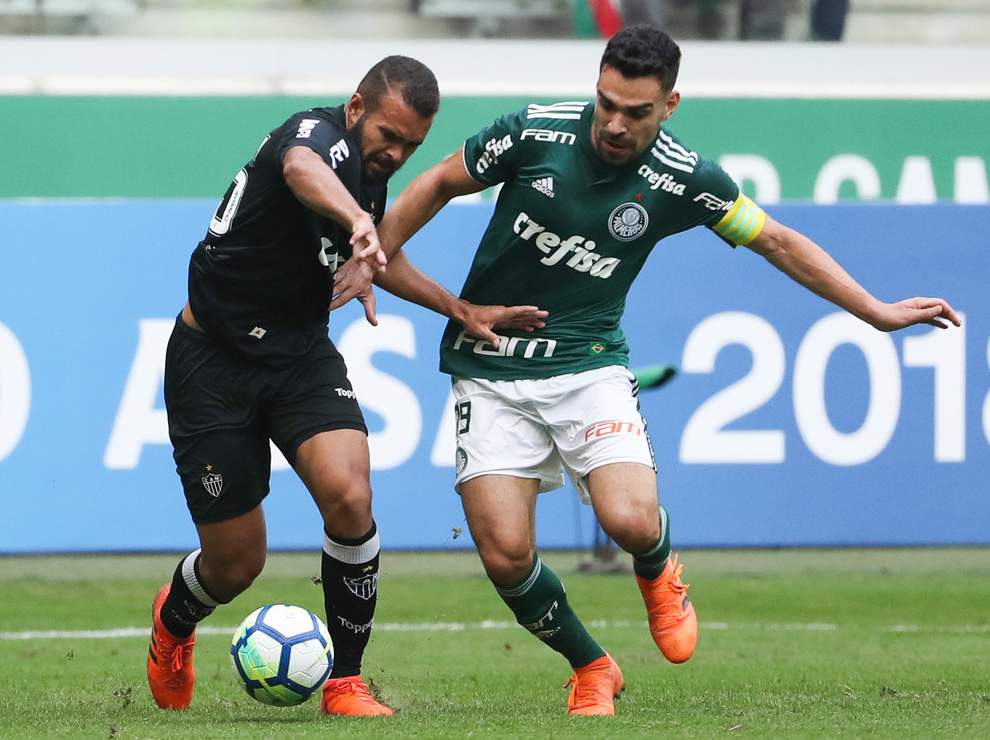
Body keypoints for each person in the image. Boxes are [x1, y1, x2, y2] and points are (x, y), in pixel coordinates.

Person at [331, 24, 960, 716]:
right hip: (491, 366)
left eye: (635, 112)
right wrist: (378, 250)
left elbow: (775, 241)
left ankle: (658, 567)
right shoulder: (535, 131)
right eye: (606, 103)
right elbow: (439, 180)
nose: (615, 124)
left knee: (628, 520)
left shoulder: (686, 178)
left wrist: (872, 310)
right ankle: (592, 667)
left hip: (590, 362)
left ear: (670, 106)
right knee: (506, 554)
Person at [145, 54, 545, 716]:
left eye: (410, 146)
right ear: (356, 108)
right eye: (388, 136)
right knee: (236, 566)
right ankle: (175, 619)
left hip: (300, 357)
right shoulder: (315, 136)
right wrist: (359, 222)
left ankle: (346, 682)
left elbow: (384, 257)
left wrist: (457, 307)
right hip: (211, 362)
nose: (395, 154)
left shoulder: (369, 178)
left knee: (350, 495)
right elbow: (303, 173)